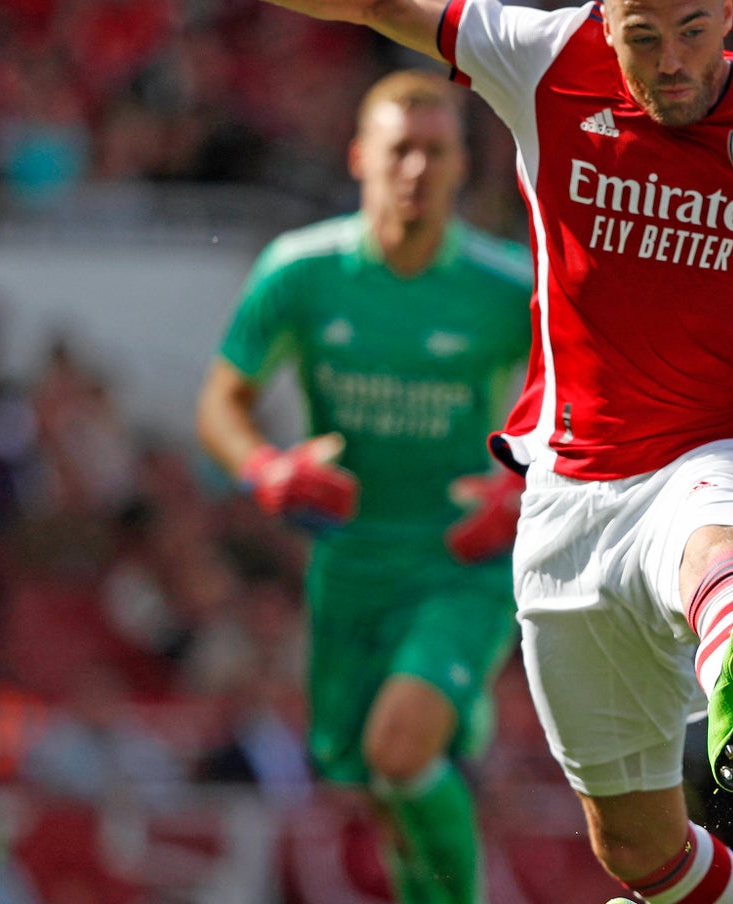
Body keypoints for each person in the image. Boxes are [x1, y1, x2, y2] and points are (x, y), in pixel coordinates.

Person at [176, 0, 733, 902]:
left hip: (715, 447)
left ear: (726, 10)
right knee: (636, 852)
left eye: (689, 30)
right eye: (641, 36)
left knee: (716, 550)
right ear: (604, 18)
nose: (669, 62)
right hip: (565, 494)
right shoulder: (544, 57)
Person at [196, 69, 534, 904]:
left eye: (436, 151)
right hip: (349, 569)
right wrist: (266, 467)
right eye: (400, 150)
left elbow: (575, 409)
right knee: (379, 787)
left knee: (400, 749)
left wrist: (525, 487)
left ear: (463, 166)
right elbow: (220, 403)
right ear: (359, 157)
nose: (416, 168)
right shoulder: (299, 272)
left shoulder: (511, 288)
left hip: (460, 563)